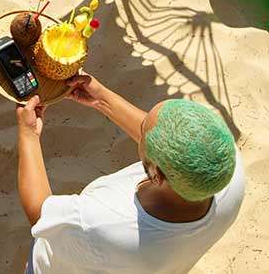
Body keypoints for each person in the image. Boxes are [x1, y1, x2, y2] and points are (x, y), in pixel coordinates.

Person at [15, 75, 245, 274]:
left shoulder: (100, 221)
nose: (142, 124)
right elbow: (170, 140)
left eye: (144, 130)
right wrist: (102, 98)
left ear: (156, 175)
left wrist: (28, 134)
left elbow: (40, 210)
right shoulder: (226, 168)